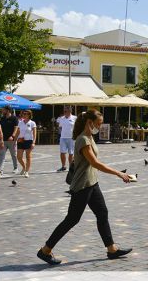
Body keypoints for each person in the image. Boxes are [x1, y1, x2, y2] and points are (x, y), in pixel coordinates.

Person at [37, 110, 132, 265]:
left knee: (102, 213)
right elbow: (95, 163)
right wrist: (118, 173)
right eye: (99, 123)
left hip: (92, 183)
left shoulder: (89, 137)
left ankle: (112, 249)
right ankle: (45, 250)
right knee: (72, 219)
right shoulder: (83, 140)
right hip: (82, 186)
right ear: (90, 122)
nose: (100, 127)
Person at [13, 110, 36, 178]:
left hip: (28, 140)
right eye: (23, 114)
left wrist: (33, 142)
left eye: (26, 114)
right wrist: (15, 141)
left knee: (28, 157)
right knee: (19, 157)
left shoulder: (32, 123)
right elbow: (18, 132)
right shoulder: (20, 122)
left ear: (29, 115)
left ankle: (27, 171)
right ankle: (24, 167)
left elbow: (34, 133)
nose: (24, 115)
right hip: (20, 140)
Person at [0, 106, 19, 175]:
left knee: (14, 155)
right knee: (2, 155)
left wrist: (13, 136)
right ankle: (0, 169)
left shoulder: (14, 118)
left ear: (8, 110)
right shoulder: (2, 118)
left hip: (11, 140)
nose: (2, 111)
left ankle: (15, 168)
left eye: (4, 110)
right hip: (3, 140)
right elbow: (0, 128)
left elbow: (16, 128)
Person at [56, 106, 77, 172]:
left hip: (71, 138)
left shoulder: (75, 118)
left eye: (66, 111)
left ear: (70, 111)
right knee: (62, 152)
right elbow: (60, 127)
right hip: (63, 137)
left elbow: (77, 127)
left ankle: (71, 167)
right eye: (64, 111)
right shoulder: (61, 118)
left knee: (71, 153)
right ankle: (63, 166)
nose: (64, 112)